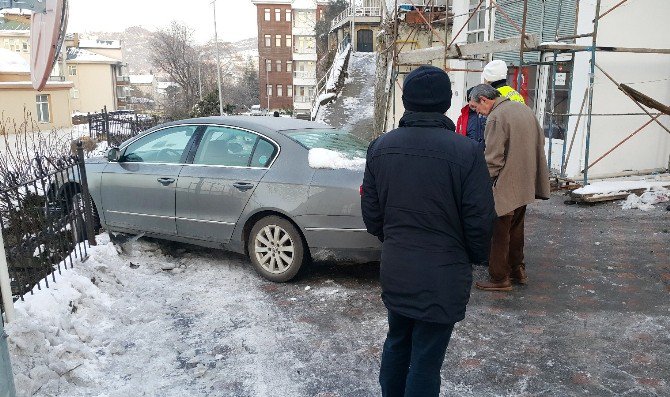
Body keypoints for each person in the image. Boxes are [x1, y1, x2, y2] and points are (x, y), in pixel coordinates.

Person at [362, 66, 496, 397]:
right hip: (444, 273)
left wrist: (395, 240)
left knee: (397, 342)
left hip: (398, 266)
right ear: (446, 102)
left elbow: (372, 216)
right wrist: (473, 257)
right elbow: (480, 219)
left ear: (406, 100)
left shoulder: (380, 148)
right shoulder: (466, 152)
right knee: (426, 358)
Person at [467, 84, 550, 291]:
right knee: (516, 228)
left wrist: (481, 185)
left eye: (475, 108)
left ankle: (499, 278)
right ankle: (518, 270)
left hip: (505, 184)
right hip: (526, 181)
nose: (477, 113)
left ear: (485, 100)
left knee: (499, 232)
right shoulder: (523, 108)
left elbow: (493, 159)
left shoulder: (496, 117)